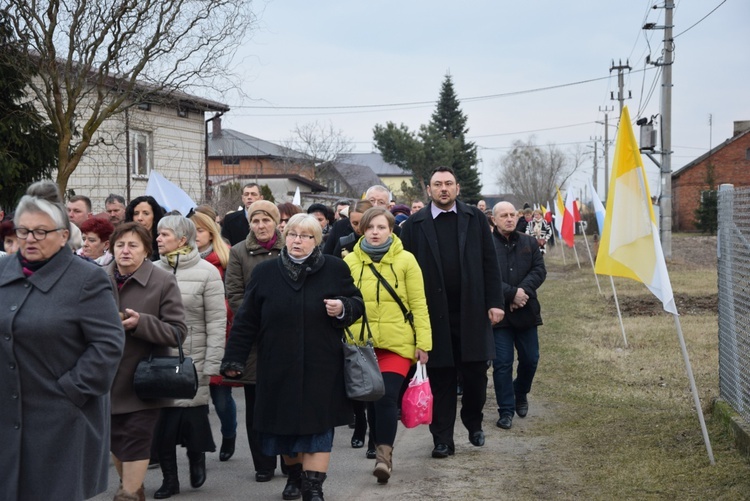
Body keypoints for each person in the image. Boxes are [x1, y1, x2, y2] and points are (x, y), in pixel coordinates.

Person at [221, 213, 364, 501]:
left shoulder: (335, 269)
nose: (298, 240)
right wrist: (234, 359)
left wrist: (343, 307)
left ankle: (314, 488)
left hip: (322, 364)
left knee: (319, 428)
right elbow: (246, 320)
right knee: (283, 431)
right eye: (294, 234)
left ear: (317, 240)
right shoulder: (266, 272)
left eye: (306, 235)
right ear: (286, 238)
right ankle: (295, 476)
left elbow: (357, 304)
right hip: (277, 365)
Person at [0, 180, 125, 501]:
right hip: (6, 416)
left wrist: (70, 391)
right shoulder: (2, 271)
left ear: (64, 235)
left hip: (62, 422)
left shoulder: (87, 279)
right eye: (23, 231)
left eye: (41, 231)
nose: (30, 239)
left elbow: (108, 345)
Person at [400, 166, 504, 459]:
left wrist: (495, 301)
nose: (443, 188)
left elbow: (489, 263)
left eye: (448, 184)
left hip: (472, 311)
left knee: (475, 378)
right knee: (441, 379)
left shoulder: (475, 219)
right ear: (429, 190)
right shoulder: (414, 225)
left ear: (457, 188)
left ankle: (473, 422)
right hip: (434, 315)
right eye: (437, 184)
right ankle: (442, 440)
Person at [344, 207, 431, 484]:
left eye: (381, 227)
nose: (375, 232)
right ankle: (377, 440)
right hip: (361, 343)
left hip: (396, 342)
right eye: (370, 227)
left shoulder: (407, 261)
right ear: (362, 230)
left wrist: (423, 343)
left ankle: (384, 456)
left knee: (386, 396)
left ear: (391, 230)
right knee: (370, 397)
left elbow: (419, 304)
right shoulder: (349, 263)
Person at [106, 222, 187, 501]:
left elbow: (177, 332)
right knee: (116, 444)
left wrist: (142, 323)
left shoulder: (162, 280)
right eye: (120, 245)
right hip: (105, 379)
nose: (125, 251)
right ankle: (134, 488)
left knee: (137, 440)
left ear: (146, 251)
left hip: (144, 380)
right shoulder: (98, 279)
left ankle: (128, 494)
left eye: (133, 245)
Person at [152, 216, 226, 498]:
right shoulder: (150, 270)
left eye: (164, 234)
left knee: (193, 420)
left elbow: (217, 322)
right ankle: (170, 480)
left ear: (182, 240)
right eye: (158, 234)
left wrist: (211, 364)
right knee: (163, 424)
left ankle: (197, 458)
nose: (158, 238)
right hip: (159, 359)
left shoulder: (207, 273)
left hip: (193, 360)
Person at [225, 200, 284, 482]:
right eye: (255, 221)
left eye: (266, 221)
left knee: (286, 402)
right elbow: (235, 294)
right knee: (257, 404)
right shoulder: (238, 252)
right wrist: (257, 322)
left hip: (287, 335)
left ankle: (290, 459)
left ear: (276, 222)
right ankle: (263, 463)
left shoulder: (290, 248)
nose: (260, 226)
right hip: (255, 338)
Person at [491, 202, 547, 430]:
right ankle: (506, 410)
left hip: (526, 311)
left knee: (530, 359)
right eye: (503, 215)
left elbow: (539, 270)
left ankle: (520, 391)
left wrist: (522, 293)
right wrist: (511, 294)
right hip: (499, 315)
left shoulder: (529, 242)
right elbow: (486, 277)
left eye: (512, 214)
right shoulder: (486, 245)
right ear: (494, 220)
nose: (509, 219)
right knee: (502, 364)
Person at [190, 210, 240, 463]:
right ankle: (199, 446)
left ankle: (229, 434)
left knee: (221, 397)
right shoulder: (182, 260)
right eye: (192, 230)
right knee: (196, 399)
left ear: (210, 232)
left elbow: (232, 297)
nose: (195, 235)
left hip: (221, 333)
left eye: (199, 230)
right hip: (193, 334)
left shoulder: (225, 259)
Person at [125, 195, 165, 261]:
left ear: (154, 217)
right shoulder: (123, 241)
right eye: (136, 213)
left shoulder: (162, 243)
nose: (139, 218)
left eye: (146, 213)